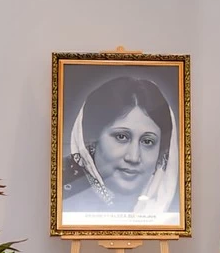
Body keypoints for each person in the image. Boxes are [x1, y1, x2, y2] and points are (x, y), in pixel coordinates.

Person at [62, 75, 179, 215]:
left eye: (147, 141)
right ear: (92, 139)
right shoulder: (62, 194)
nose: (134, 157)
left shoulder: (176, 206)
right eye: (121, 137)